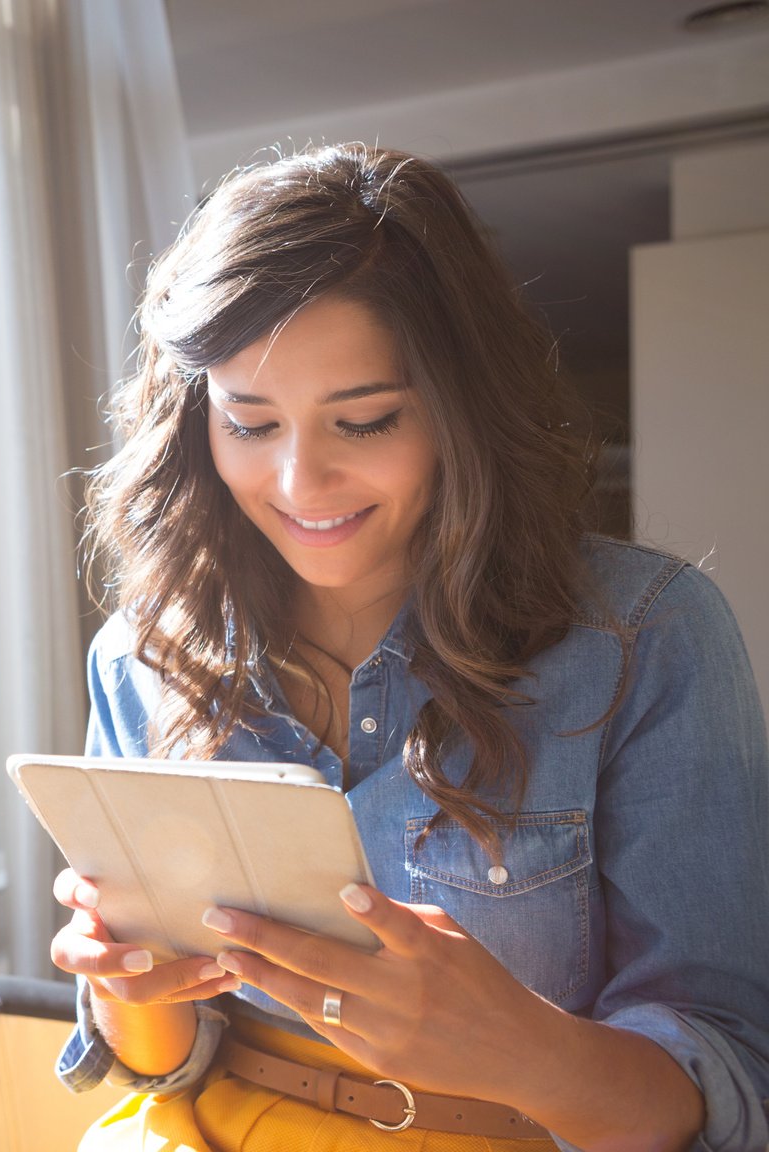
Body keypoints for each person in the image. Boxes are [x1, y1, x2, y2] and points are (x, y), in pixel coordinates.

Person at [51, 144, 769, 1151]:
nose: (301, 484)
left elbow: (732, 1083)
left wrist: (526, 1049)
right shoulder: (143, 653)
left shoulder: (646, 636)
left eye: (365, 420)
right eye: (250, 425)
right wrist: (123, 983)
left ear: (461, 410)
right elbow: (165, 1062)